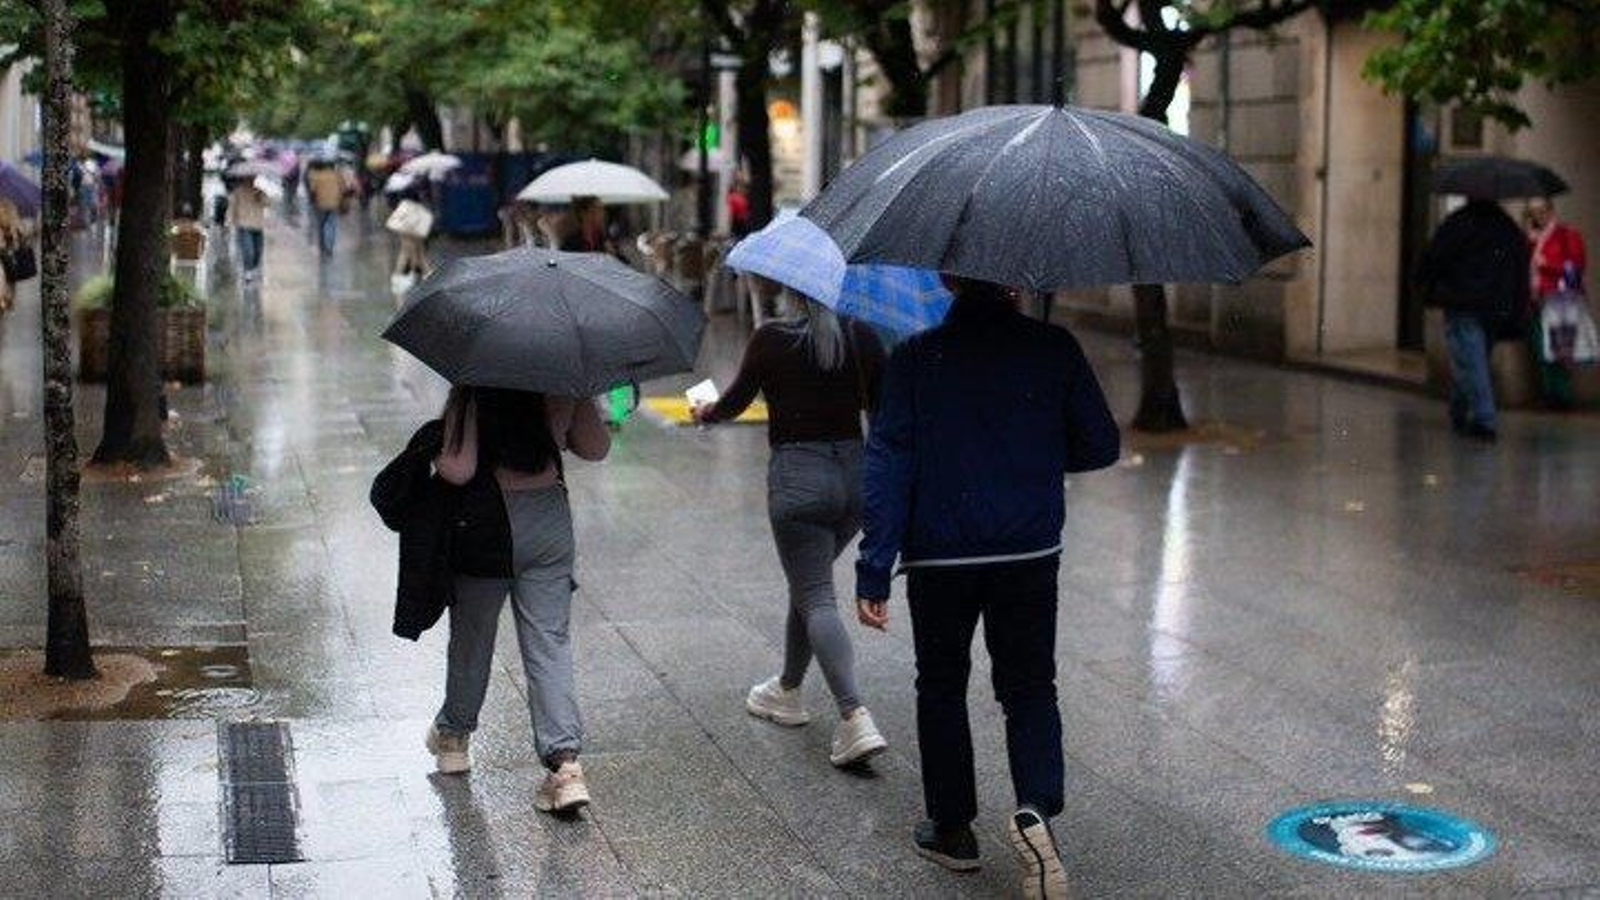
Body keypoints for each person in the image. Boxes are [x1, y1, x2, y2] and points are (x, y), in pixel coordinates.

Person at [854, 277, 1119, 898]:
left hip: (940, 557)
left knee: (941, 686)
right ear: (1019, 282)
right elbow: (1100, 444)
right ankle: (1036, 808)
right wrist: (1032, 458)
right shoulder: (1055, 348)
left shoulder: (917, 357)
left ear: (948, 280)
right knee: (1029, 687)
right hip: (1028, 551)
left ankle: (953, 831)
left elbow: (889, 460)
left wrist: (874, 566)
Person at [691, 287, 890, 767]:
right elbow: (884, 416)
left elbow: (734, 402)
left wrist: (707, 413)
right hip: (855, 480)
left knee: (816, 594)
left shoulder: (770, 339)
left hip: (799, 482)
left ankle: (854, 716)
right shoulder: (859, 336)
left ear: (785, 287)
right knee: (809, 584)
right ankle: (787, 689)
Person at [427, 387, 611, 815]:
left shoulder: (475, 376)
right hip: (548, 522)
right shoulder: (564, 370)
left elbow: (457, 469)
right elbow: (596, 447)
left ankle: (453, 739)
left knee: (473, 636)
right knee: (549, 641)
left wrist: (438, 442)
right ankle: (565, 769)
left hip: (484, 524)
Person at [1418, 197, 1531, 440]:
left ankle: (1484, 419)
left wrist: (1425, 286)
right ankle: (1458, 410)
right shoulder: (1508, 227)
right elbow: (1520, 268)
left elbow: (1434, 256)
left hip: (1463, 304)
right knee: (1471, 359)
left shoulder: (1458, 223)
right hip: (1495, 307)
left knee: (1471, 360)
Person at [1526, 196, 1588, 409]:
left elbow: (1575, 268)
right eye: (1532, 212)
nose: (1537, 216)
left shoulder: (1566, 235)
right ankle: (1548, 391)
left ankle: (1561, 395)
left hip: (1559, 301)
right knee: (1540, 347)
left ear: (1551, 211)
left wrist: (1547, 265)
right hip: (1536, 300)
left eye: (1541, 211)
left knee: (1559, 347)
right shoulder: (1533, 238)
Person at [228, 179, 268, 283]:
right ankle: (248, 271)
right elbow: (232, 208)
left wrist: (260, 197)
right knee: (248, 250)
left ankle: (253, 268)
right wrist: (230, 222)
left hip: (258, 225)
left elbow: (267, 203)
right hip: (244, 225)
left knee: (258, 251)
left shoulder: (259, 191)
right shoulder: (237, 192)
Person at [306, 161, 345, 257]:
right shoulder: (337, 175)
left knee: (321, 225)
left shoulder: (318, 176)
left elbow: (312, 190)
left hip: (321, 204)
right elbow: (343, 189)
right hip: (334, 203)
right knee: (332, 225)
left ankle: (322, 247)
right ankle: (330, 247)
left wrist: (313, 202)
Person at [0, 198, 24, 314]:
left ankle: (6, 299)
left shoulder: (9, 206)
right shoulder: (10, 206)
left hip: (6, 249)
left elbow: (15, 229)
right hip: (6, 249)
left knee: (10, 273)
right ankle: (7, 299)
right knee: (10, 274)